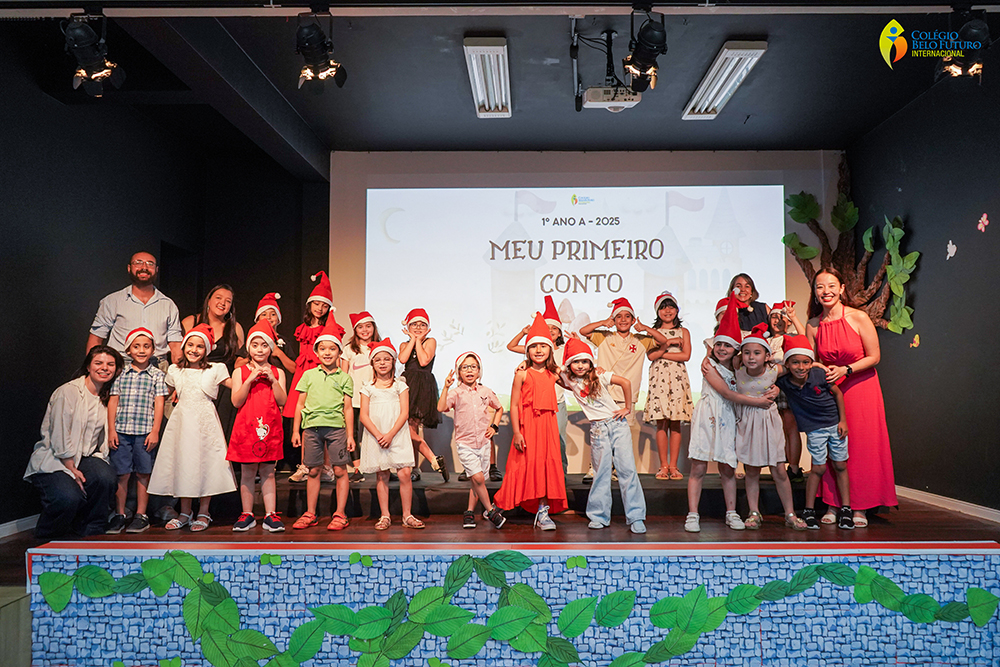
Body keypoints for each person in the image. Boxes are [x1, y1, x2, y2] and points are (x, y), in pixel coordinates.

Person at [806, 267, 897, 527]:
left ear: (842, 288)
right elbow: (812, 361)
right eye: (820, 287)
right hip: (831, 391)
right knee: (833, 445)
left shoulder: (858, 317)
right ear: (815, 292)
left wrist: (846, 369)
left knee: (862, 447)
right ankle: (834, 504)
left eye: (831, 285)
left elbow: (874, 356)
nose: (826, 291)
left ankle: (861, 506)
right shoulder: (813, 325)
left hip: (861, 387)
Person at [688, 293, 775, 533]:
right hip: (708, 416)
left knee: (727, 468)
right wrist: (757, 402)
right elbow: (726, 393)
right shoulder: (709, 365)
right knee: (698, 467)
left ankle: (731, 512)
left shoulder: (739, 366)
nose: (722, 348)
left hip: (728, 417)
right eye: (719, 344)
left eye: (727, 345)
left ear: (736, 349)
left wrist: (774, 387)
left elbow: (765, 370)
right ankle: (693, 513)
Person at [24, 346, 122, 538]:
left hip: (84, 457)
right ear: (88, 366)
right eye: (99, 363)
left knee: (106, 477)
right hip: (55, 459)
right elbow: (60, 434)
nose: (104, 368)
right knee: (68, 497)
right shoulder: (68, 392)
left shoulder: (108, 397)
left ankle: (90, 531)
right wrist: (71, 469)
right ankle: (48, 537)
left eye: (110, 364)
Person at [148, 324, 237, 531]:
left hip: (205, 423)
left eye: (199, 346)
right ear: (184, 346)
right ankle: (185, 512)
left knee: (207, 463)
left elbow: (236, 385)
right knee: (183, 463)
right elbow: (163, 394)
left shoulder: (216, 369)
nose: (194, 350)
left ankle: (204, 511)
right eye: (190, 345)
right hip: (182, 423)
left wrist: (252, 375)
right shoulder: (175, 370)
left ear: (206, 350)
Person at [560, 338, 646, 534]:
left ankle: (636, 517)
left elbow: (625, 382)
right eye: (576, 361)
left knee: (627, 470)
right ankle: (598, 515)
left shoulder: (600, 375)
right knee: (601, 472)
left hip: (617, 425)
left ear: (591, 363)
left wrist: (627, 408)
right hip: (598, 428)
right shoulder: (570, 380)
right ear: (569, 364)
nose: (580, 365)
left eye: (584, 361)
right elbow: (554, 370)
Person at [579, 298, 669, 480]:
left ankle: (616, 469)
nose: (623, 320)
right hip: (604, 394)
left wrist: (645, 328)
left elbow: (663, 340)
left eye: (627, 316)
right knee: (601, 434)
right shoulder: (605, 336)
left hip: (627, 396)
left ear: (633, 319)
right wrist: (603, 322)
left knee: (621, 437)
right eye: (618, 316)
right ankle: (595, 468)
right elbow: (584, 331)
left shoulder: (641, 340)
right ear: (613, 319)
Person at [494, 313, 567, 530]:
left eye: (543, 346)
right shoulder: (522, 374)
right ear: (527, 350)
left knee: (545, 467)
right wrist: (517, 432)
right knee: (520, 465)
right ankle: (501, 504)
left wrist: (564, 370)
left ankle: (543, 511)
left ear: (550, 349)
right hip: (527, 427)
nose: (538, 350)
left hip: (548, 428)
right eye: (533, 346)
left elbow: (575, 385)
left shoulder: (554, 374)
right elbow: (515, 404)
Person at [775, 334, 853, 530]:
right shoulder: (784, 381)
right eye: (795, 362)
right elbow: (768, 372)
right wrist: (793, 365)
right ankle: (808, 510)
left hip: (834, 425)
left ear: (811, 363)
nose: (801, 367)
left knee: (840, 465)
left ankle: (846, 509)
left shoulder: (819, 375)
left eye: (805, 362)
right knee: (818, 468)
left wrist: (843, 420)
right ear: (787, 363)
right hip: (814, 429)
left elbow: (838, 394)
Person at [734, 323, 807, 531]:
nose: (751, 357)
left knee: (779, 470)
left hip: (769, 422)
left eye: (757, 353)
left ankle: (790, 513)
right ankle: (754, 511)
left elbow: (793, 366)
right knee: (752, 470)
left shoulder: (774, 371)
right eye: (747, 352)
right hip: (748, 424)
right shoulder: (738, 370)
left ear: (767, 356)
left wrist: (816, 366)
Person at [289, 320, 355, 531]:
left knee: (340, 470)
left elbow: (348, 409)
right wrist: (296, 430)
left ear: (339, 352)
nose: (327, 353)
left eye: (332, 349)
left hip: (336, 429)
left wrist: (350, 435)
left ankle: (340, 513)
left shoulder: (345, 378)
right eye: (323, 349)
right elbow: (300, 404)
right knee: (313, 470)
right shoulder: (308, 375)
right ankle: (310, 513)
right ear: (316, 352)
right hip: (312, 429)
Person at [106, 328, 169, 534]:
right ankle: (120, 514)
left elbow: (159, 404)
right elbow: (113, 402)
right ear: (128, 350)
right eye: (136, 346)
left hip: (144, 432)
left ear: (153, 350)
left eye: (146, 346)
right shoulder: (120, 374)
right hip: (122, 432)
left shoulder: (157, 375)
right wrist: (112, 430)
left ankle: (141, 514)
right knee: (122, 474)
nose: (141, 350)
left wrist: (155, 431)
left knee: (143, 473)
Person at [228, 318, 287, 532]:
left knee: (269, 472)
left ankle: (271, 514)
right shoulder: (240, 372)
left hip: (269, 428)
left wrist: (273, 380)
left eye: (264, 345)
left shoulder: (277, 372)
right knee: (247, 472)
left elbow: (282, 400)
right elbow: (236, 401)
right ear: (249, 348)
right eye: (255, 345)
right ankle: (247, 513)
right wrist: (249, 380)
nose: (259, 349)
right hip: (246, 428)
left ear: (270, 348)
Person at [437, 352, 506, 530]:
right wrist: (445, 387)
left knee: (477, 481)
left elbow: (499, 408)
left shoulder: (485, 391)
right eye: (465, 367)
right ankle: (491, 511)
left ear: (479, 370)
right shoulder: (456, 393)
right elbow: (441, 407)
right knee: (478, 477)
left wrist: (494, 427)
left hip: (483, 443)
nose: (469, 370)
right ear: (459, 372)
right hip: (465, 444)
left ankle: (469, 512)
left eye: (473, 367)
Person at [358, 339, 422, 530]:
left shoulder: (400, 386)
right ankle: (385, 515)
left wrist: (391, 434)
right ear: (372, 363)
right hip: (376, 435)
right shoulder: (367, 387)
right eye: (378, 360)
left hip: (397, 433)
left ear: (393, 361)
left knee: (405, 473)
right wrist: (379, 435)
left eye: (386, 359)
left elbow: (404, 413)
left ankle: (407, 515)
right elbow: (363, 416)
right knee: (382, 474)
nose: (382, 363)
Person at [235, 293, 297, 471]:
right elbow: (238, 364)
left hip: (276, 388)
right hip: (253, 393)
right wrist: (253, 363)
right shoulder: (254, 341)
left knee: (274, 427)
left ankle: (273, 463)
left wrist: (278, 352)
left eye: (272, 314)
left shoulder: (283, 343)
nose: (269, 317)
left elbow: (293, 367)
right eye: (264, 314)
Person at [87, 251, 182, 365]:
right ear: (129, 268)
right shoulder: (112, 301)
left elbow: (175, 343)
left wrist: (179, 371)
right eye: (138, 263)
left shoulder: (168, 305)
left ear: (156, 269)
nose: (144, 267)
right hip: (121, 364)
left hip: (157, 365)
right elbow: (96, 338)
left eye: (150, 264)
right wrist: (91, 367)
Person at [506, 295, 567, 477]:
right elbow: (512, 346)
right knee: (532, 453)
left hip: (555, 406)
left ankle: (559, 478)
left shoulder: (562, 354)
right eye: (547, 328)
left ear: (560, 332)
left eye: (554, 328)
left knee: (557, 445)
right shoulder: (526, 369)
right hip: (531, 412)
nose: (539, 349)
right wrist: (524, 334)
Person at [286, 272, 334, 483]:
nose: (319, 308)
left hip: (322, 376)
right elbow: (301, 356)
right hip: (304, 376)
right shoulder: (303, 328)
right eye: (316, 304)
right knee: (306, 421)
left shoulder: (329, 327)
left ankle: (326, 467)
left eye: (324, 305)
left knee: (324, 420)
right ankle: (305, 465)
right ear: (309, 304)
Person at [181, 285, 245, 441]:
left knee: (220, 435)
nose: (222, 303)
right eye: (218, 298)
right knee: (194, 434)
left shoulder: (235, 328)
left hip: (224, 388)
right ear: (208, 301)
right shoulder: (190, 322)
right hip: (195, 385)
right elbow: (179, 357)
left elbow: (240, 360)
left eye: (228, 301)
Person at [644, 291, 693, 481]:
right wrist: (669, 343)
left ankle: (674, 466)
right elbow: (650, 356)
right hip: (659, 378)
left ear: (677, 310)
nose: (667, 311)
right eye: (663, 307)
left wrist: (661, 353)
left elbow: (685, 355)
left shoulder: (684, 331)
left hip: (678, 378)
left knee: (676, 422)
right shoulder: (652, 332)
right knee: (661, 422)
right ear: (657, 311)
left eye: (671, 306)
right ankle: (663, 465)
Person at [399, 308, 448, 482]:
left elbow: (423, 360)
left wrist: (418, 340)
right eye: (414, 324)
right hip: (407, 385)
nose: (418, 328)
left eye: (422, 325)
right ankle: (422, 463)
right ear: (408, 326)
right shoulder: (404, 344)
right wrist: (412, 340)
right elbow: (403, 359)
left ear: (428, 328)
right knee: (408, 428)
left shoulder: (430, 341)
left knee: (413, 427)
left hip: (423, 386)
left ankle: (415, 467)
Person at [768, 301, 807, 482]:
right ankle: (778, 468)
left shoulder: (790, 337)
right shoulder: (766, 339)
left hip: (787, 384)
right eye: (774, 317)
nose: (778, 320)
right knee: (776, 428)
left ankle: (794, 467)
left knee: (790, 426)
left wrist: (793, 316)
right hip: (768, 386)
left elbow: (804, 337)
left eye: (781, 317)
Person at [343, 311, 383, 482]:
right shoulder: (349, 349)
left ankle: (383, 468)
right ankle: (357, 468)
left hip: (375, 398)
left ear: (374, 327)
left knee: (378, 431)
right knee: (353, 433)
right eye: (360, 327)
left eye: (368, 326)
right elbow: (343, 374)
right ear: (355, 330)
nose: (365, 330)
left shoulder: (380, 347)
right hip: (354, 397)